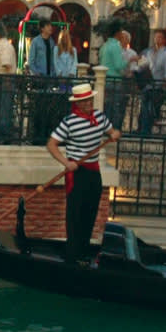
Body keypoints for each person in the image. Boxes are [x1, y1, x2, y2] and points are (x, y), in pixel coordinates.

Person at [44, 79, 117, 263]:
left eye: (90, 101)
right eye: (85, 101)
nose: (88, 104)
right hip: (76, 173)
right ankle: (72, 254)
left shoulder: (99, 117)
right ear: (77, 103)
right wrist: (66, 163)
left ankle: (84, 252)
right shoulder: (69, 122)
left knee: (90, 212)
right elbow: (51, 144)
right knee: (75, 214)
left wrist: (114, 134)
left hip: (94, 173)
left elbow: (112, 132)